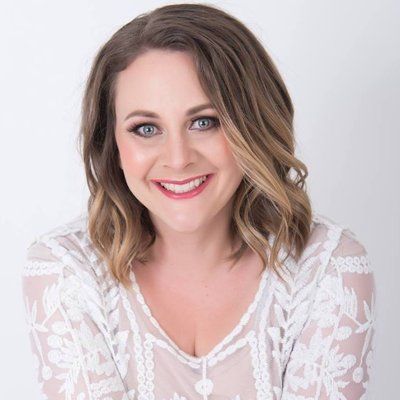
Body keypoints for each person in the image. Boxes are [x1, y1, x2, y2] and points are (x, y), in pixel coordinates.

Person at [21, 3, 376, 399]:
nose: (178, 159)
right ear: (112, 145)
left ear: (253, 126)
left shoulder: (327, 268)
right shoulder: (66, 271)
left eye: (204, 122)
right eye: (146, 128)